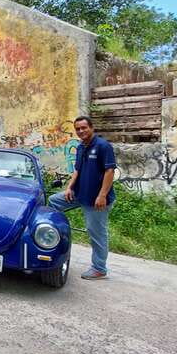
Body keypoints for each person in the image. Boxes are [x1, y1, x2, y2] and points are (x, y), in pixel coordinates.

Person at [48, 116, 116, 280]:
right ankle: (55, 235)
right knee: (53, 201)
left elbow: (110, 171)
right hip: (80, 194)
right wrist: (70, 187)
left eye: (84, 128)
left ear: (91, 128)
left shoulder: (102, 146)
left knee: (97, 233)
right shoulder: (80, 147)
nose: (81, 131)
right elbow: (77, 170)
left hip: (96, 200)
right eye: (78, 129)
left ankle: (99, 268)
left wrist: (102, 195)